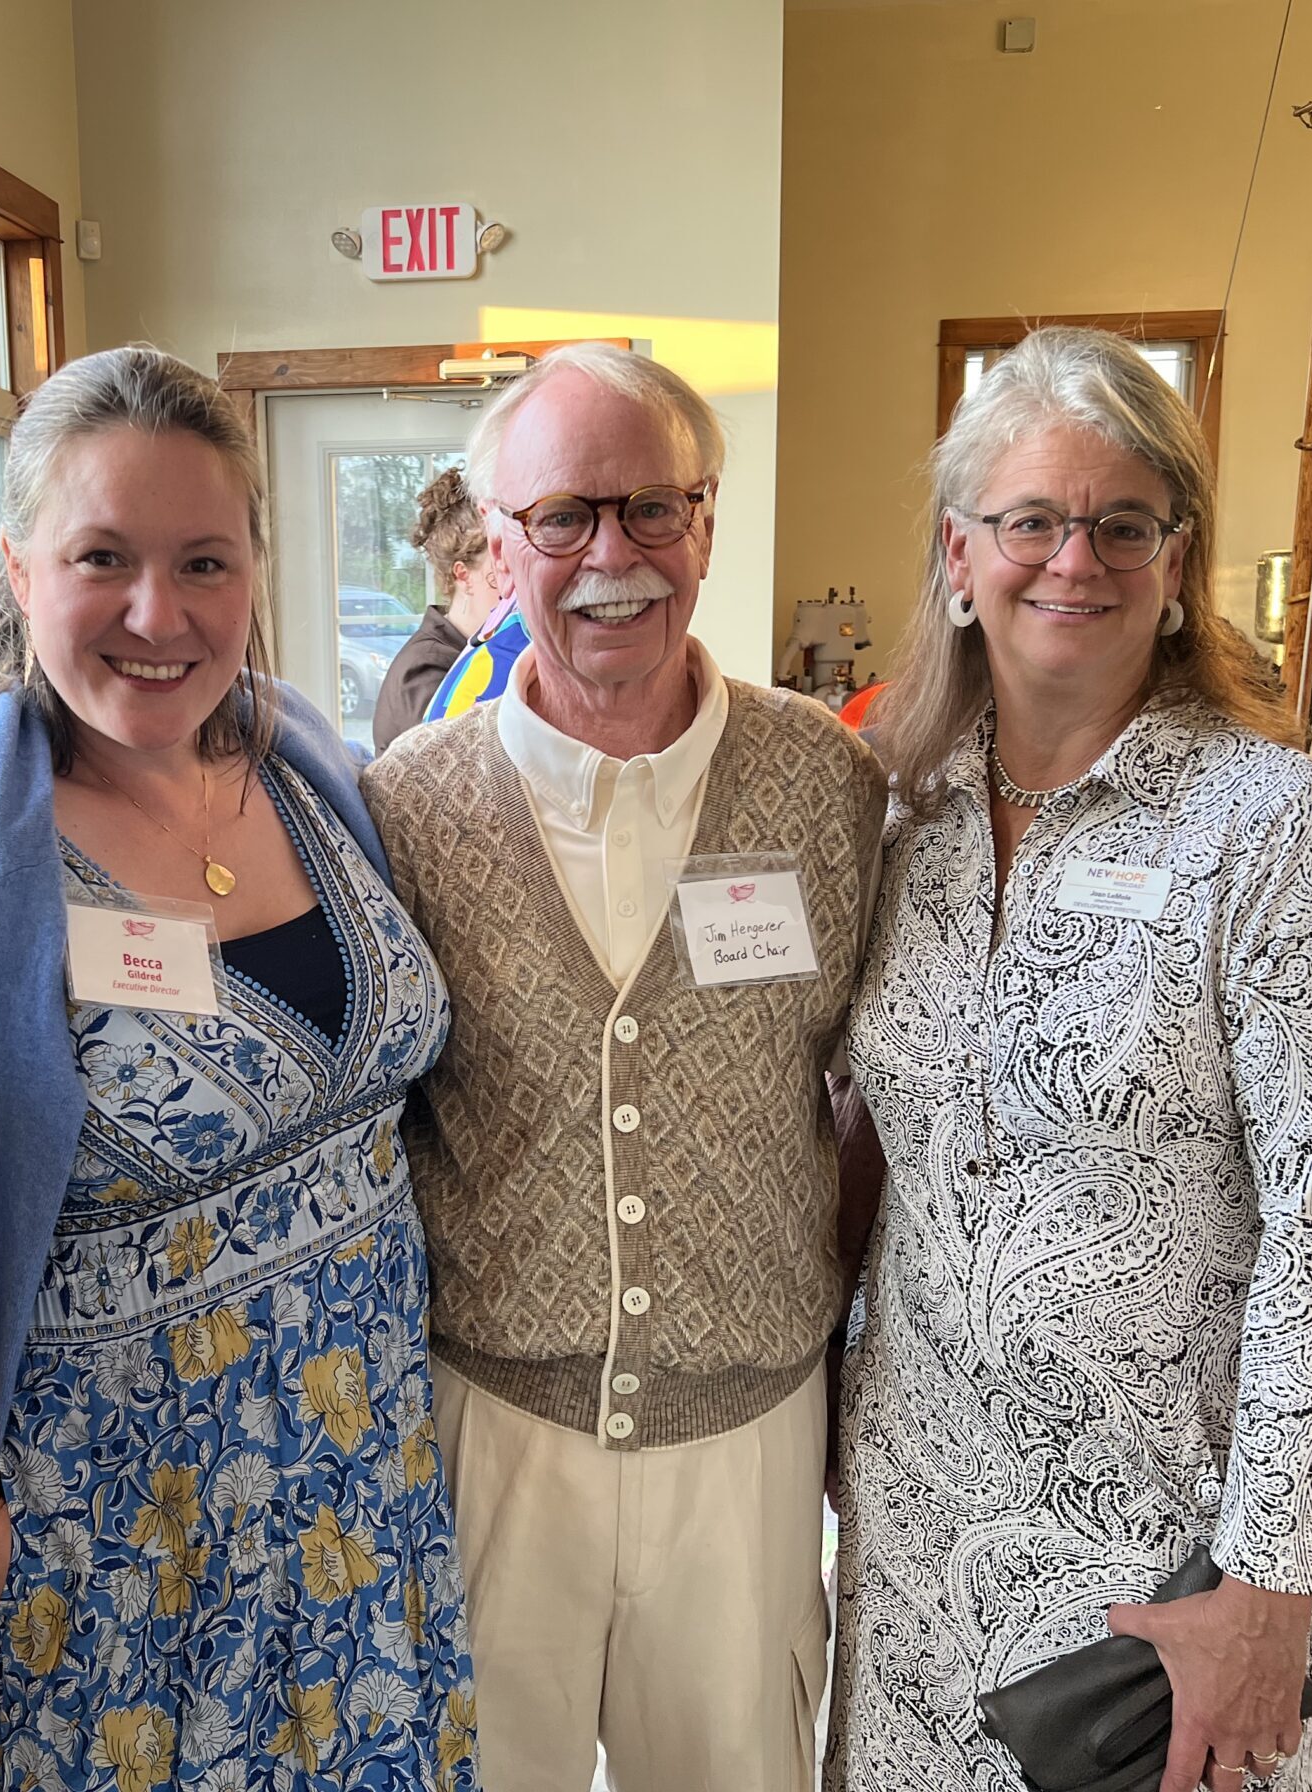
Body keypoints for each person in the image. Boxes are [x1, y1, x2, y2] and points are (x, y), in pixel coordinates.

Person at [0, 345, 479, 1790]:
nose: (159, 615)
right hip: (96, 1541)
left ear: (254, 571)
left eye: (203, 562)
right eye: (104, 557)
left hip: (360, 1492)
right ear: (21, 565)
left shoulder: (305, 763)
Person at [828, 326, 1312, 1792]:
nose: (1071, 560)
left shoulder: (1278, 833)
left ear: (1175, 565)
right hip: (913, 1550)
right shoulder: (907, 821)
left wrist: (1268, 1590)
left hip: (1157, 1571)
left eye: (1121, 524)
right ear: (960, 558)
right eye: (1030, 519)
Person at [364, 343, 885, 1792]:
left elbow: (872, 1098)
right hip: (494, 1431)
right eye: (565, 516)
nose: (615, 557)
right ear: (495, 536)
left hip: (751, 1436)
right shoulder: (411, 808)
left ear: (708, 523)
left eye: (655, 509)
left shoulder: (827, 783)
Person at [373, 467, 505, 749]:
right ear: (463, 575)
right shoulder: (425, 669)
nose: (513, 589)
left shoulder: (481, 650)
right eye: (499, 573)